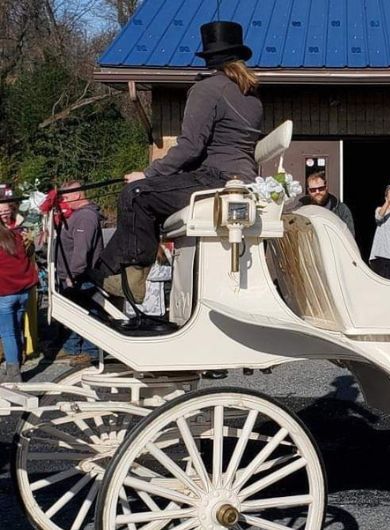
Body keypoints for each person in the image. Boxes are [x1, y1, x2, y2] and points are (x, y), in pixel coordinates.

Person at [93, 20, 263, 303]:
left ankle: (128, 279)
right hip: (238, 178)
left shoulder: (208, 89)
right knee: (146, 195)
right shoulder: (250, 94)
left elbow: (189, 147)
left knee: (136, 195)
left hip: (216, 178)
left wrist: (148, 174)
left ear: (209, 58)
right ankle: (104, 273)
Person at [55, 181, 104, 365]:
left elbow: (82, 249)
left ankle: (89, 351)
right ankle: (73, 348)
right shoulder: (78, 216)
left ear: (77, 195)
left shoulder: (85, 217)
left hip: (79, 277)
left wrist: (72, 274)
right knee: (75, 313)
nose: (63, 201)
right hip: (72, 275)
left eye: (66, 197)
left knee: (86, 313)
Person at [0, 222, 38, 382]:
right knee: (16, 330)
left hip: (5, 294)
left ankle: (14, 374)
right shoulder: (15, 236)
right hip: (23, 292)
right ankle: (14, 368)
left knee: (8, 334)